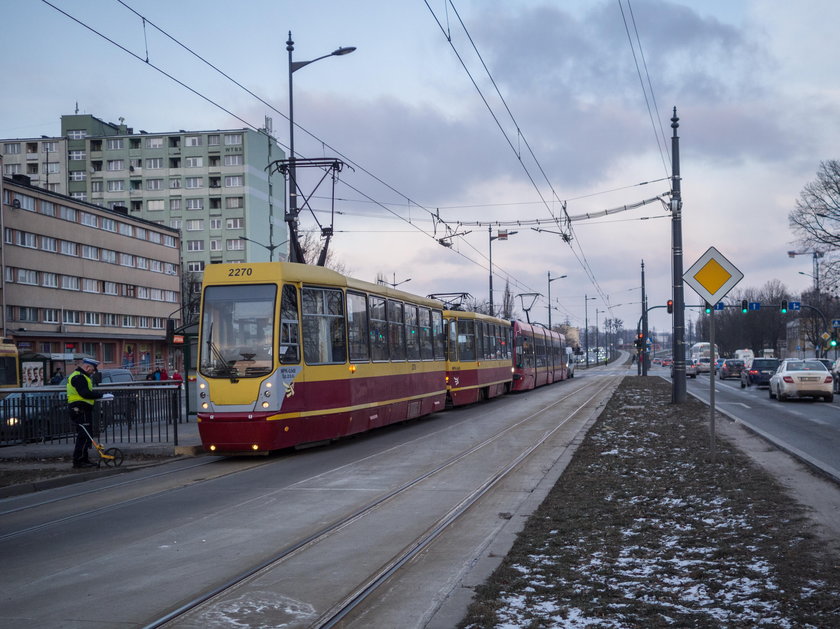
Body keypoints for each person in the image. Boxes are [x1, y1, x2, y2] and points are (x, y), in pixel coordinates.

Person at [67, 358, 112, 468]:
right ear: (87, 368)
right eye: (92, 370)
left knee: (86, 434)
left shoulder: (81, 376)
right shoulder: (79, 377)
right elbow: (85, 393)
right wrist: (101, 395)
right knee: (84, 435)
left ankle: (84, 459)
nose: (93, 372)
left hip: (82, 409)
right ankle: (79, 461)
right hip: (79, 409)